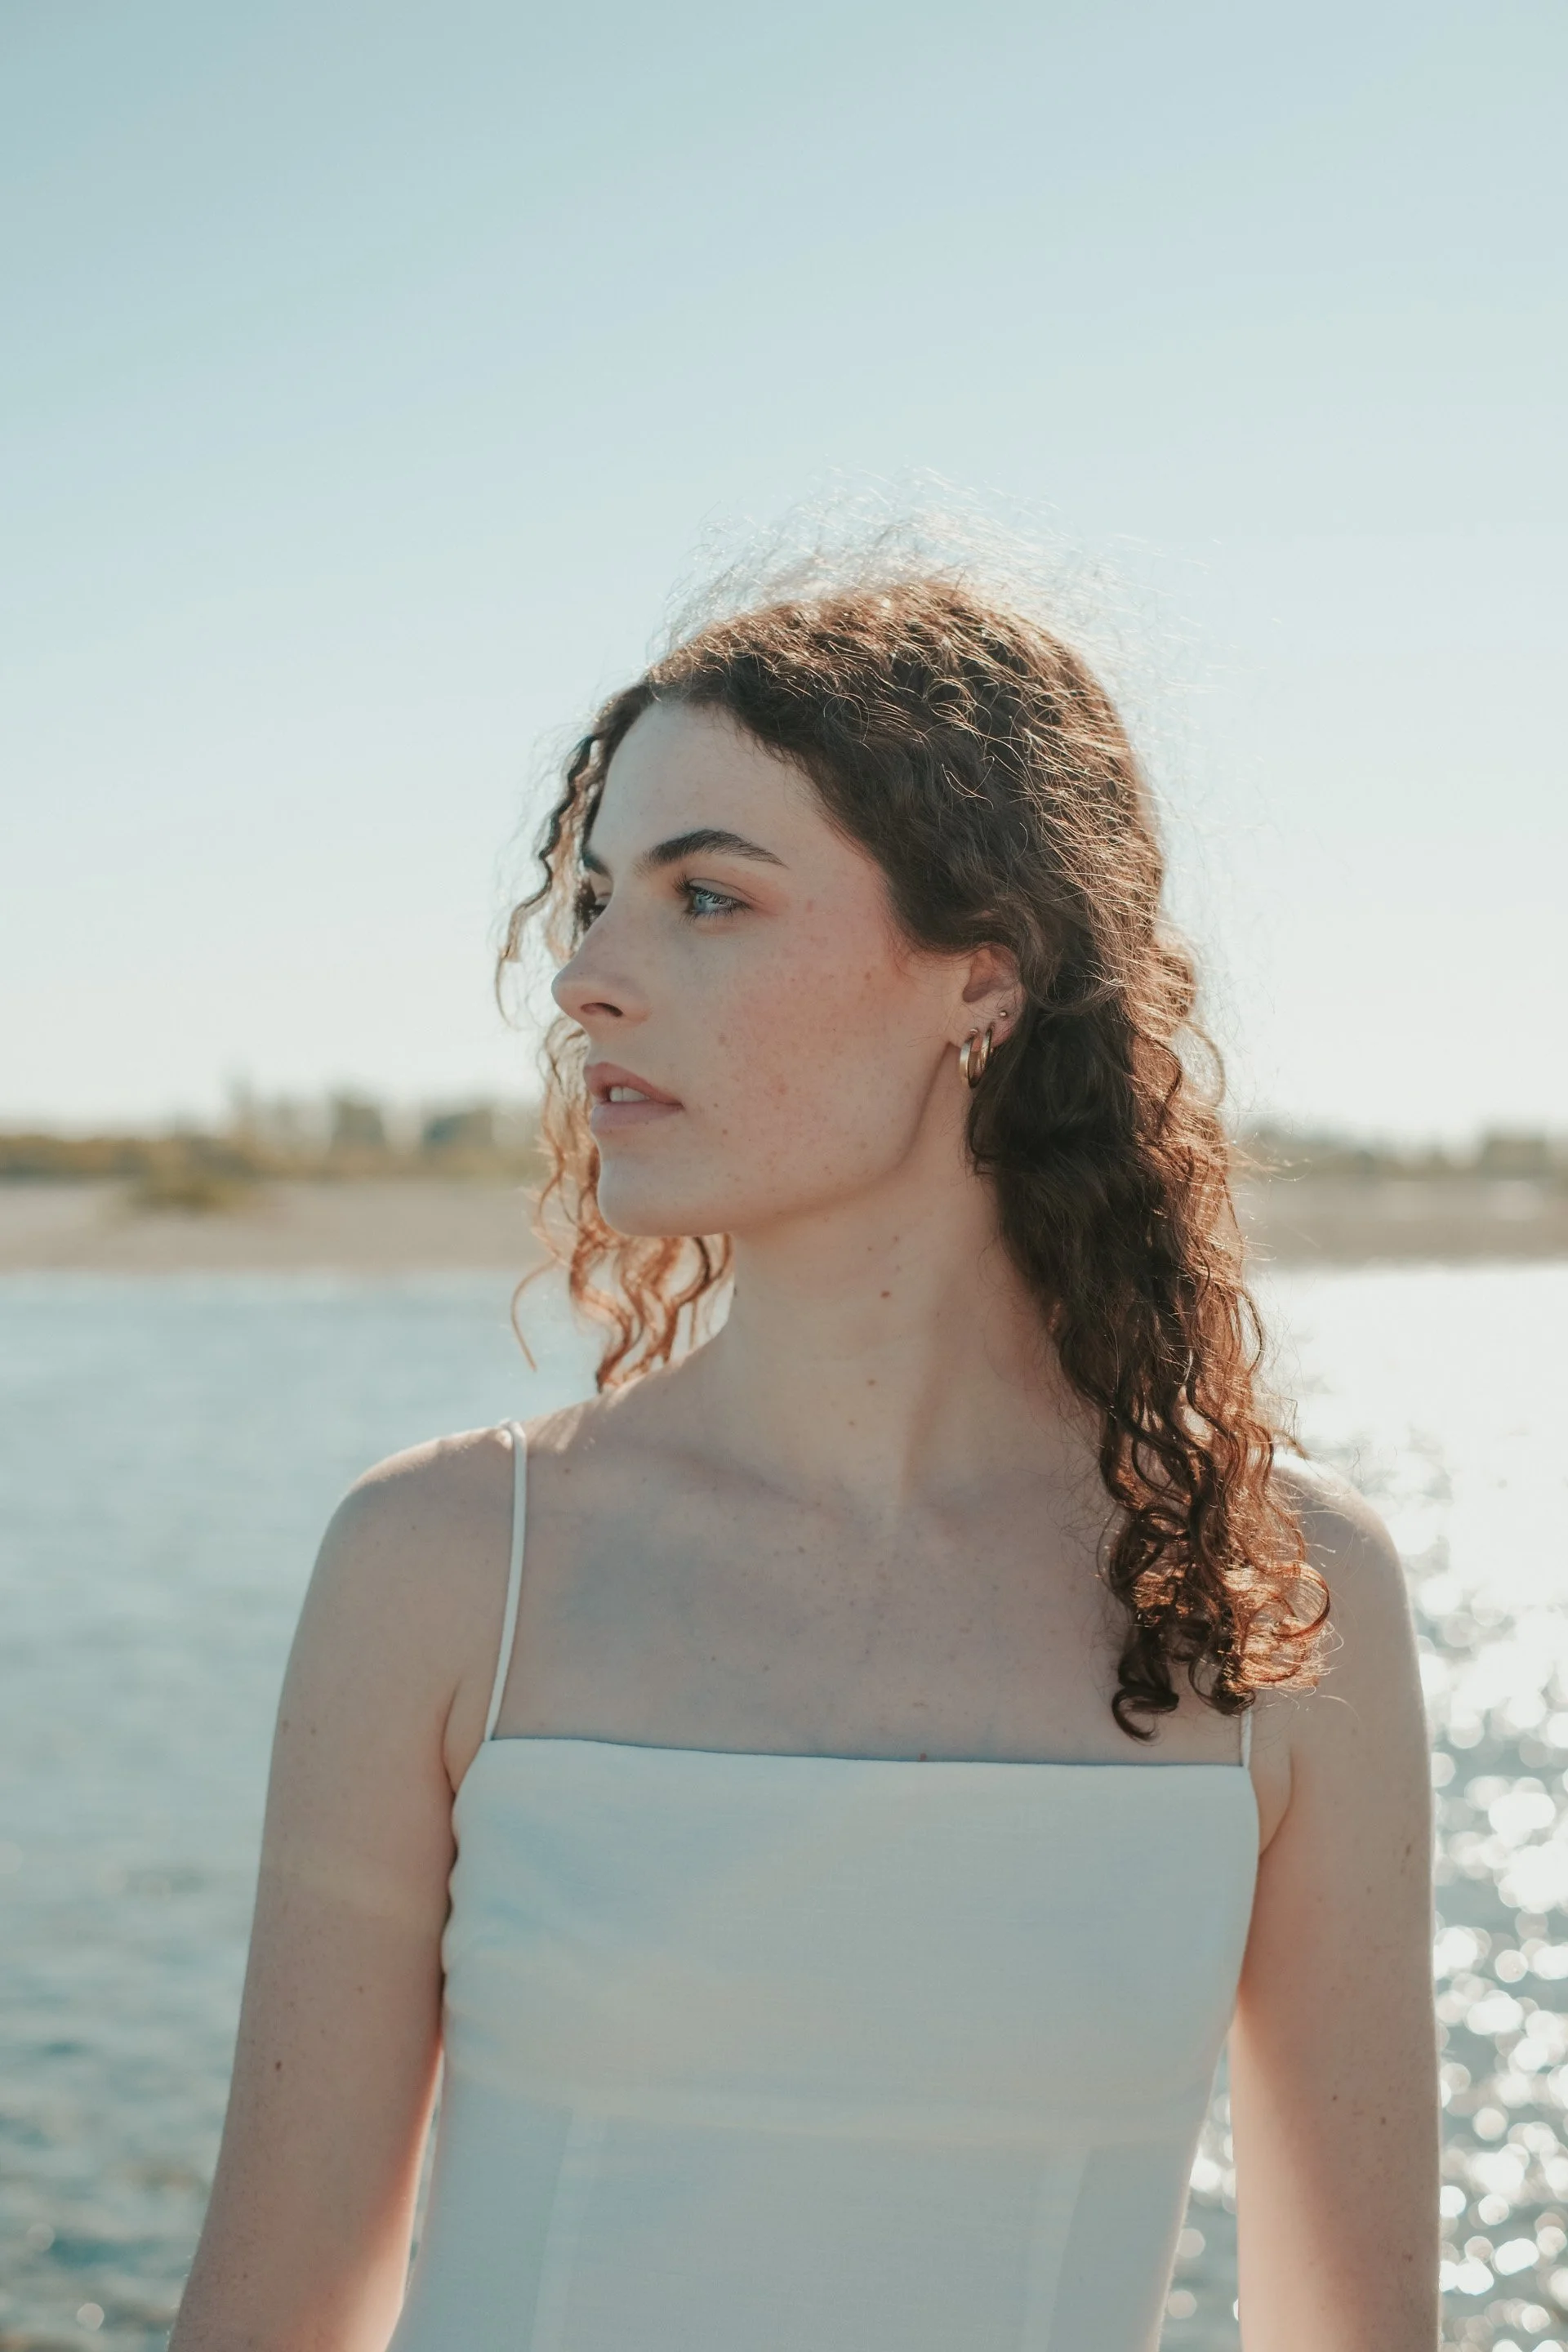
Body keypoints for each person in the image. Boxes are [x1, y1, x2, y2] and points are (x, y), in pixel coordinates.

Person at [172, 572, 1439, 2351]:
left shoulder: (1277, 1597)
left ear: (982, 975)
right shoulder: (451, 1566)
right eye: (598, 899)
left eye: (706, 897)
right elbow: (271, 2314)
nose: (591, 979)